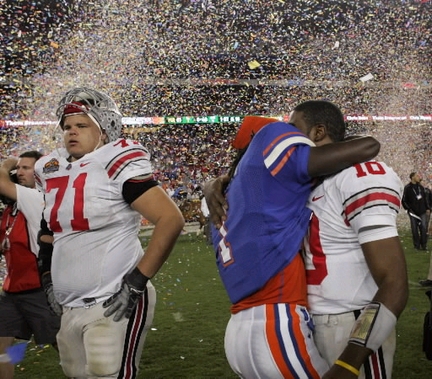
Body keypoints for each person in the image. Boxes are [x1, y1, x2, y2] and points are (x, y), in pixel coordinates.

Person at [204, 100, 380, 379]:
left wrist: (213, 182)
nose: (289, 130)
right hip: (275, 325)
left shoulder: (228, 193)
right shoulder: (274, 137)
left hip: (240, 331)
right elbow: (368, 146)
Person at [34, 87, 185, 379]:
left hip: (113, 298)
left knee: (109, 373)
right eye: (67, 127)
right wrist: (48, 280)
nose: (71, 132)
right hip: (69, 304)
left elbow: (170, 218)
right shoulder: (52, 168)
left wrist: (137, 282)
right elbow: (47, 233)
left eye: (81, 125)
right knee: (77, 374)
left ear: (104, 129)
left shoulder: (115, 160)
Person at [302, 153, 408, 378]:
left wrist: (350, 362)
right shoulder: (308, 181)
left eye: (296, 126)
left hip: (355, 318)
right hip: (313, 318)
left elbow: (394, 282)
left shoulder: (357, 177)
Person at [0, 151, 60, 379]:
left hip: (38, 289)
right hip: (12, 291)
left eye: (26, 168)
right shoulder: (12, 209)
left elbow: (1, 182)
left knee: (62, 345)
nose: (19, 172)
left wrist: (7, 164)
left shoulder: (36, 198)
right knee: (2, 349)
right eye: (19, 168)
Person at [402, 172, 430, 251]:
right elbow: (404, 200)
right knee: (414, 229)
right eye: (417, 176)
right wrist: (408, 209)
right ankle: (416, 246)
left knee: (424, 228)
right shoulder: (407, 188)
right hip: (413, 212)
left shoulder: (421, 187)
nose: (419, 177)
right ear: (412, 177)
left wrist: (427, 208)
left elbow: (425, 199)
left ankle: (424, 245)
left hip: (422, 211)